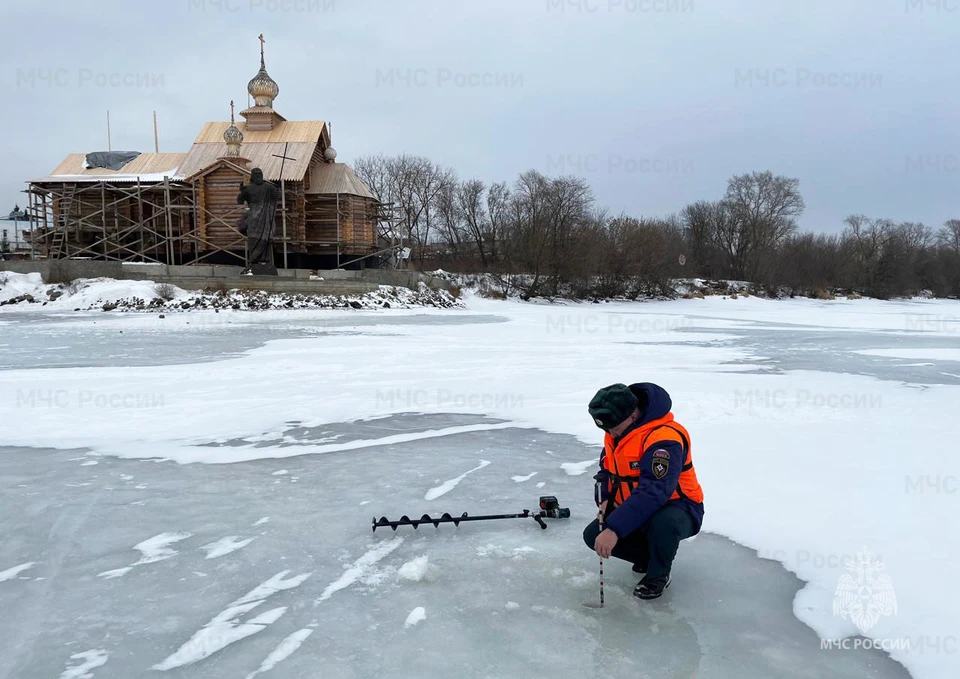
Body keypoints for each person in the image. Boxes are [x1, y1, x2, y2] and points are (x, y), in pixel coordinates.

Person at [582, 382, 704, 600]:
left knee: (664, 523)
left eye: (613, 427)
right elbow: (606, 471)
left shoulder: (664, 439)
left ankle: (658, 575)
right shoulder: (617, 433)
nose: (610, 433)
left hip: (678, 507)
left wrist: (615, 529)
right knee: (593, 535)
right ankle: (650, 556)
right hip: (637, 506)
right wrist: (605, 498)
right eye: (605, 428)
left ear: (632, 415)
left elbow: (655, 490)